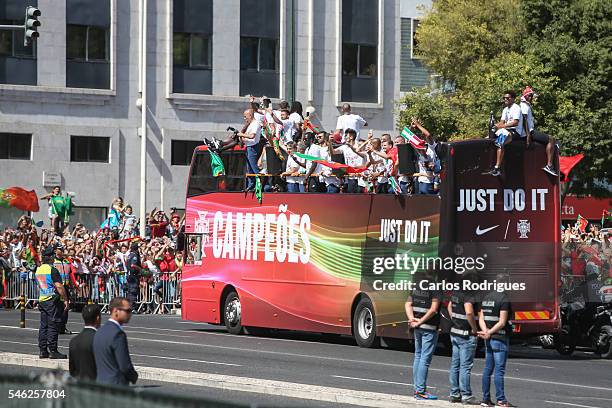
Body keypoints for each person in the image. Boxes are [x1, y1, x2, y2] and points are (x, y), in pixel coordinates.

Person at [405, 272, 442, 400]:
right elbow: (433, 309)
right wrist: (420, 322)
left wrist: (412, 320)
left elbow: (408, 304)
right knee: (425, 359)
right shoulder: (435, 287)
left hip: (417, 327)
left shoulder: (416, 286)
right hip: (429, 328)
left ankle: (417, 388)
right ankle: (420, 391)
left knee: (418, 356)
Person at [478, 274, 513, 407]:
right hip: (500, 338)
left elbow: (481, 317)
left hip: (489, 338)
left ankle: (485, 399)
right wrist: (491, 332)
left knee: (487, 369)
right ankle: (501, 400)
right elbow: (502, 322)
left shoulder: (487, 297)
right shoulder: (504, 299)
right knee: (499, 370)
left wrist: (485, 331)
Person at [447, 277, 480, 405]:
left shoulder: (456, 292)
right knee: (465, 366)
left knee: (455, 364)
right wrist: (475, 329)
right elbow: (469, 313)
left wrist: (455, 320)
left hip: (455, 332)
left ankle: (454, 394)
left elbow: (450, 307)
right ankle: (466, 395)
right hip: (466, 334)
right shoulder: (468, 295)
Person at [93, 297, 138, 386]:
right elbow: (125, 366)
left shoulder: (99, 331)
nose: (130, 314)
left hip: (100, 383)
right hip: (115, 385)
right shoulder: (118, 334)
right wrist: (134, 377)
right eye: (127, 311)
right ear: (116, 311)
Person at [35, 245, 68, 359]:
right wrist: (65, 299)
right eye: (53, 255)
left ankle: (43, 350)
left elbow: (39, 286)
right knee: (53, 325)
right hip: (52, 300)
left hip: (43, 299)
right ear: (50, 257)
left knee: (43, 326)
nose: (54, 257)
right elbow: (59, 287)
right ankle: (53, 350)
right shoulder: (52, 270)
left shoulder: (38, 269)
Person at [520, 86, 558, 176]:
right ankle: (549, 165)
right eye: (530, 96)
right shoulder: (524, 106)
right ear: (525, 96)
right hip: (530, 132)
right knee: (551, 139)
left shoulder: (525, 104)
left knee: (550, 139)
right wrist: (528, 135)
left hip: (529, 131)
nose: (531, 98)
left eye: (532, 96)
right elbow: (524, 121)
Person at [486, 90, 524, 177]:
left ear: (513, 99)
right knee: (488, 137)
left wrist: (502, 126)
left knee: (499, 143)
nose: (505, 99)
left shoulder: (516, 108)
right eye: (504, 98)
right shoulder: (505, 109)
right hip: (505, 130)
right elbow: (501, 122)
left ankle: (497, 168)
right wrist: (495, 126)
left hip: (514, 131)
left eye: (507, 98)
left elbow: (515, 122)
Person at [69, 304, 101, 381]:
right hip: (96, 386)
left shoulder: (74, 341)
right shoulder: (100, 340)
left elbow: (72, 370)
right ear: (98, 318)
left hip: (80, 386)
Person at [238, 109, 262, 192]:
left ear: (250, 115)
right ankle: (250, 185)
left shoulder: (256, 124)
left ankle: (258, 185)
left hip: (253, 147)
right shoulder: (250, 124)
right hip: (249, 146)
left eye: (245, 116)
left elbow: (252, 136)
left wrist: (241, 134)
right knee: (249, 168)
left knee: (254, 167)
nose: (245, 118)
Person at [53, 244, 74, 334]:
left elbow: (70, 274)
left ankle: (63, 326)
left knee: (65, 307)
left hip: (66, 287)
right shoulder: (53, 262)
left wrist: (72, 286)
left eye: (62, 249)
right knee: (56, 308)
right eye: (59, 249)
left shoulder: (67, 261)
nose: (61, 250)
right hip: (56, 288)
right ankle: (55, 327)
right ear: (55, 251)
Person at [126, 242, 143, 313]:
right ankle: (132, 307)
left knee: (130, 291)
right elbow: (133, 265)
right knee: (133, 291)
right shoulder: (134, 256)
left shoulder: (129, 255)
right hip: (133, 275)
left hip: (129, 275)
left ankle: (129, 307)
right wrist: (141, 269)